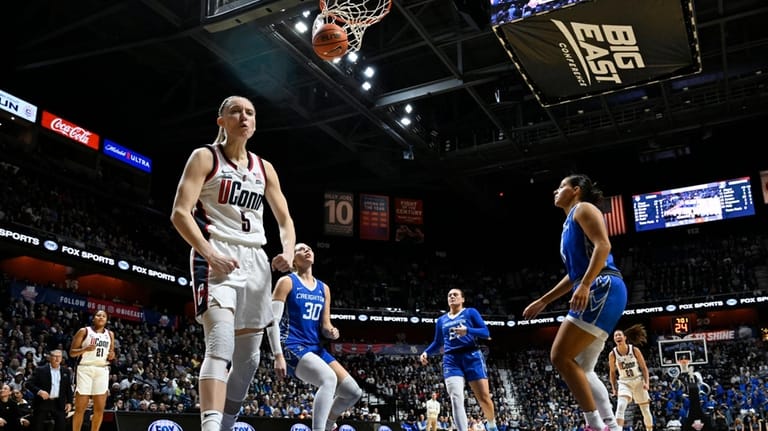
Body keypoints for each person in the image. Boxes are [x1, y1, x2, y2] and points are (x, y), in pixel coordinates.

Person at [170, 95, 296, 431]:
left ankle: (225, 425)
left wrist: (287, 250)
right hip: (216, 254)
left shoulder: (264, 168)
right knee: (221, 343)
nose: (244, 116)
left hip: (255, 261)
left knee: (248, 361)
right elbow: (180, 213)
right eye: (236, 111)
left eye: (250, 112)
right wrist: (209, 253)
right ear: (221, 120)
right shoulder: (204, 157)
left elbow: (285, 221)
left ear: (255, 124)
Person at [522, 174, 627, 431]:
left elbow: (604, 245)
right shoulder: (568, 223)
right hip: (599, 286)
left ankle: (593, 424)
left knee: (559, 356)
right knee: (583, 368)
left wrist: (586, 284)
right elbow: (574, 274)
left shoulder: (584, 208)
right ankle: (611, 427)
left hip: (602, 286)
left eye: (561, 187)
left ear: (576, 190)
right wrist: (544, 300)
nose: (555, 191)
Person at [266, 242, 363, 431]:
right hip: (291, 344)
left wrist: (332, 332)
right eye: (301, 249)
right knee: (328, 379)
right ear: (293, 259)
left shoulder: (323, 288)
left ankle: (327, 424)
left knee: (353, 392)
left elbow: (325, 326)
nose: (307, 250)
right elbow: (272, 321)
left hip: (315, 346)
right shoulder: (286, 282)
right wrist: (277, 355)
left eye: (309, 248)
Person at [419, 288, 498, 431]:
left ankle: (492, 425)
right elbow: (437, 342)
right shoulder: (441, 320)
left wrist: (468, 330)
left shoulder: (470, 312)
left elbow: (485, 332)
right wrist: (426, 352)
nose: (452, 297)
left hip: (472, 356)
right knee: (456, 398)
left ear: (462, 299)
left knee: (484, 398)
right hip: (451, 359)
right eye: (449, 295)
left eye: (455, 295)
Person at [69, 309, 116, 431]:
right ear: (93, 318)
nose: (101, 317)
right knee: (80, 408)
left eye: (104, 316)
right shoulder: (84, 331)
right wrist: (84, 349)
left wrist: (112, 355)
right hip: (85, 369)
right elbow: (72, 353)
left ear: (106, 320)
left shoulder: (110, 334)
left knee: (99, 408)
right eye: (98, 315)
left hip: (102, 370)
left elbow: (111, 353)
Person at [608, 324, 653, 431]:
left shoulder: (634, 350)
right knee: (620, 406)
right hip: (624, 382)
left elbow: (644, 368)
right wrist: (614, 388)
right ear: (614, 339)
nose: (617, 337)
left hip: (638, 380)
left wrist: (647, 383)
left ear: (625, 337)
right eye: (615, 336)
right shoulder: (612, 354)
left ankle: (650, 429)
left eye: (619, 335)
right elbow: (612, 373)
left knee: (645, 410)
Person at [26, 350, 73, 431]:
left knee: (61, 427)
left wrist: (69, 402)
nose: (57, 358)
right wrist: (39, 391)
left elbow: (68, 388)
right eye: (55, 356)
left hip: (58, 403)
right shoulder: (40, 370)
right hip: (43, 402)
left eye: (59, 356)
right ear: (50, 358)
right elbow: (28, 383)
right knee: (38, 427)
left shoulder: (66, 371)